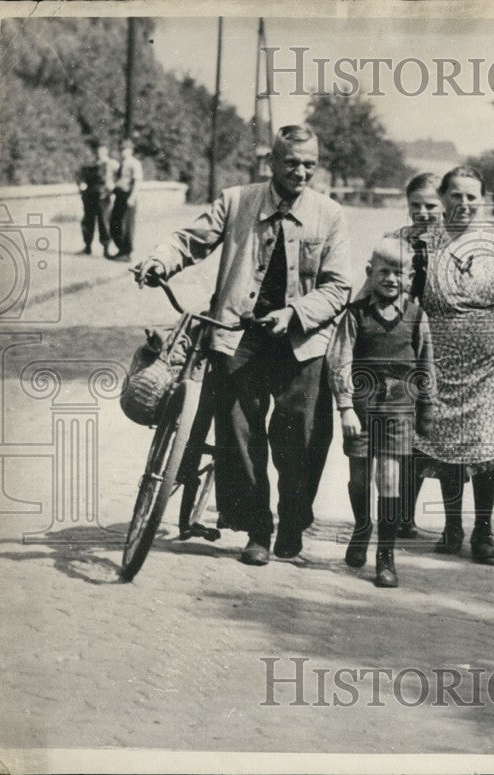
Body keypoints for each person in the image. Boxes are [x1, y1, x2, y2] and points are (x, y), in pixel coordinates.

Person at [134, 125, 351, 566]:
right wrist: (160, 260)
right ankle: (257, 529)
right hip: (237, 334)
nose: (301, 171)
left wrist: (294, 314)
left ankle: (292, 522)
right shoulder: (236, 201)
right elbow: (188, 241)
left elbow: (339, 285)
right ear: (271, 162)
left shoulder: (330, 215)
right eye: (291, 162)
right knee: (237, 434)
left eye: (310, 163)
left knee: (303, 438)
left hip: (300, 340)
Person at [413, 165, 494, 564]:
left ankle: (483, 530)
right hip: (443, 361)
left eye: (471, 197)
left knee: (485, 444)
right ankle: (452, 527)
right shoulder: (423, 245)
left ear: (482, 201)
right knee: (447, 442)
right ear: (443, 197)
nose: (463, 204)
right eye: (456, 196)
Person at [327, 238, 436, 587]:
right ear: (370, 273)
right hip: (360, 408)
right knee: (360, 479)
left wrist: (427, 408)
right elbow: (340, 359)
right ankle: (362, 528)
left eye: (399, 272)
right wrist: (345, 407)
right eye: (384, 271)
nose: (391, 278)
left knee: (388, 478)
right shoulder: (356, 314)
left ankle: (385, 555)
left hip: (398, 410)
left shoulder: (417, 317)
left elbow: (426, 364)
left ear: (410, 277)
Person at [75, 139, 118, 256]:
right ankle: (87, 246)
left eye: (102, 151)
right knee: (88, 220)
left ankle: (106, 249)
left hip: (103, 195)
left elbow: (121, 176)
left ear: (106, 151)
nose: (100, 153)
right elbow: (79, 175)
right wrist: (81, 184)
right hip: (89, 195)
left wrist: (113, 186)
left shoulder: (112, 164)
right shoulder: (90, 163)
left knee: (104, 222)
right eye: (98, 151)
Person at [108, 138, 143, 262]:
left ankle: (126, 253)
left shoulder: (134, 163)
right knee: (115, 223)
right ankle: (120, 249)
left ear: (131, 150)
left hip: (128, 196)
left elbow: (138, 182)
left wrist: (132, 198)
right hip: (120, 195)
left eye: (125, 149)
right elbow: (118, 179)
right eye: (121, 149)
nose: (123, 152)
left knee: (127, 225)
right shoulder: (121, 163)